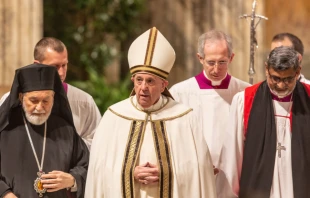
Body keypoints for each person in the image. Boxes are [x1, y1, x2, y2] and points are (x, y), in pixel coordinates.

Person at [85, 27, 216, 197]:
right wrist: (129, 172)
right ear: (133, 80)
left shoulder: (184, 118)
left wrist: (167, 173)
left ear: (163, 85)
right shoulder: (114, 116)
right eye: (139, 80)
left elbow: (199, 170)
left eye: (150, 81)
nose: (143, 88)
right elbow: (98, 170)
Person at [220, 46, 310, 198]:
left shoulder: (308, 97)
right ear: (266, 69)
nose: (281, 85)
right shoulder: (245, 100)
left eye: (288, 79)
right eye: (275, 78)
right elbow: (233, 156)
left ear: (298, 72)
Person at [169, 30, 250, 197]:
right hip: (193, 176)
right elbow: (172, 139)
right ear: (200, 58)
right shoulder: (180, 93)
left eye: (222, 62)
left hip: (231, 179)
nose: (216, 69)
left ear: (232, 58)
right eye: (210, 62)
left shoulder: (245, 92)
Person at [0, 64, 89, 198]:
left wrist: (72, 180)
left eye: (46, 100)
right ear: (20, 97)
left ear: (53, 97)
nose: (40, 107)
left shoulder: (65, 130)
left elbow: (87, 167)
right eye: (33, 100)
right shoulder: (5, 129)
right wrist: (4, 193)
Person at [0, 37, 101, 149]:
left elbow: (98, 144)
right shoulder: (10, 101)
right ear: (37, 65)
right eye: (55, 67)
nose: (61, 73)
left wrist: (68, 149)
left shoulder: (84, 102)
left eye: (64, 65)